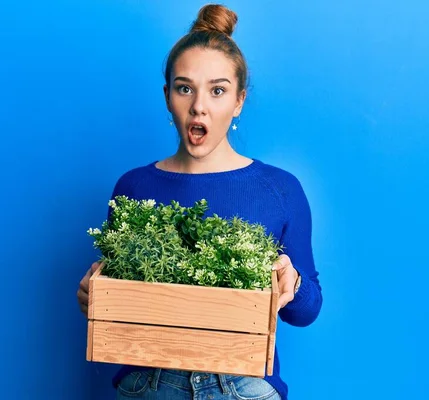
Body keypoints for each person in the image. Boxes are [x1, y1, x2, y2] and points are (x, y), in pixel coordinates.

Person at [77, 4, 323, 399]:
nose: (199, 106)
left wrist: (292, 283)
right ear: (167, 96)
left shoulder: (280, 189)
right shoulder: (133, 187)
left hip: (243, 386)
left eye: (218, 90)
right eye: (185, 87)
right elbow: (119, 305)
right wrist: (96, 295)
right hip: (148, 385)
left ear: (239, 101)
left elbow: (306, 312)